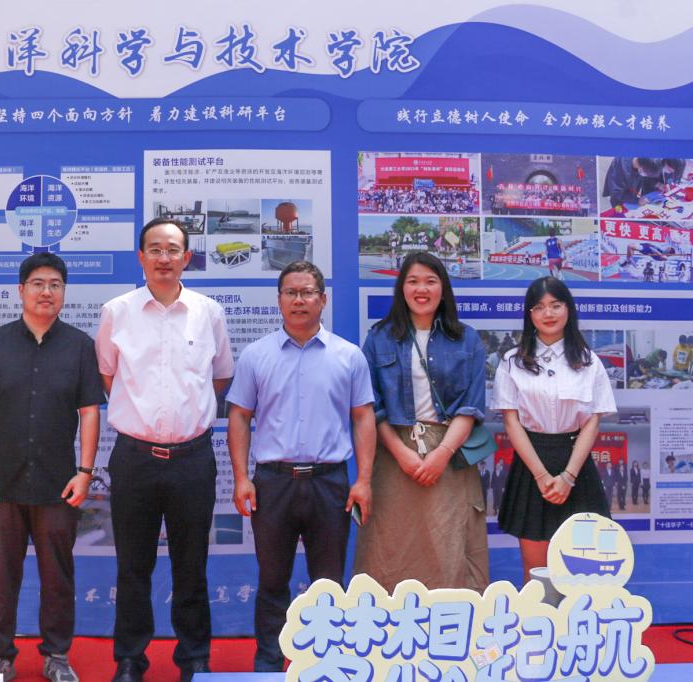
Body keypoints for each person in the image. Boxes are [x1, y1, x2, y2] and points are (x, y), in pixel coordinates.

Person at [95, 217, 234, 682]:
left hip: (192, 460)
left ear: (186, 257)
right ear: (141, 257)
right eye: (154, 249)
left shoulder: (208, 313)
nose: (164, 258)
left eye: (173, 249)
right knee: (133, 566)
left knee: (191, 566)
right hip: (134, 458)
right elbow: (108, 376)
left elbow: (220, 376)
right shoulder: (117, 312)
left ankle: (194, 658)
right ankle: (130, 659)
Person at [226, 261, 375, 672]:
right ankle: (269, 663)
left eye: (307, 292)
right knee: (273, 579)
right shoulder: (257, 355)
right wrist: (241, 478)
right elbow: (239, 415)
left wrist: (363, 479)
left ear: (323, 300)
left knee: (328, 583)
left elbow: (363, 416)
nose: (299, 300)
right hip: (273, 483)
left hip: (330, 482)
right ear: (279, 300)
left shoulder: (348, 356)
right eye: (290, 293)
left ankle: (328, 662)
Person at [0, 253, 105, 682]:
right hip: (1, 483)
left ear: (64, 293)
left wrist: (84, 472)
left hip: (57, 483)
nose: (47, 292)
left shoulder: (79, 346)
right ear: (21, 290)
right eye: (38, 283)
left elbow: (90, 412)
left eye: (55, 284)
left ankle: (57, 655)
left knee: (58, 575)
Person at [354, 251, 489, 593]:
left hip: (450, 457)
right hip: (394, 457)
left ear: (443, 288)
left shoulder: (467, 339)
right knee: (389, 548)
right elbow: (371, 407)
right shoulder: (379, 338)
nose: (421, 289)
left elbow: (470, 406)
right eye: (413, 281)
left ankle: (452, 619)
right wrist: (401, 453)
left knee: (450, 545)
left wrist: (441, 453)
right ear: (402, 288)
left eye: (430, 281)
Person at [492, 276, 615, 579]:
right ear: (530, 314)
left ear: (568, 309)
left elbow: (592, 421)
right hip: (532, 464)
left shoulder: (589, 362)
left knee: (583, 569)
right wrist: (542, 476)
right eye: (539, 307)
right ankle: (536, 613)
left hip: (575, 465)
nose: (548, 313)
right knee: (535, 570)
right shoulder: (511, 361)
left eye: (556, 305)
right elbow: (510, 420)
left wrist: (569, 477)